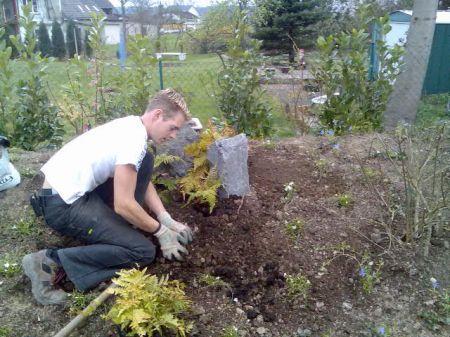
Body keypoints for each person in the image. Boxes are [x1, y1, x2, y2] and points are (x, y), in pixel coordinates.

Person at [23, 88, 193, 305]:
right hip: (63, 205)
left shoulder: (131, 126)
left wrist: (164, 217)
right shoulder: (133, 140)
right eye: (173, 128)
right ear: (157, 115)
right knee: (142, 251)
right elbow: (123, 204)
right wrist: (161, 233)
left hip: (69, 193)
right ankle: (48, 261)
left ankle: (118, 231)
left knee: (146, 162)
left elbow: (138, 176)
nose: (173, 135)